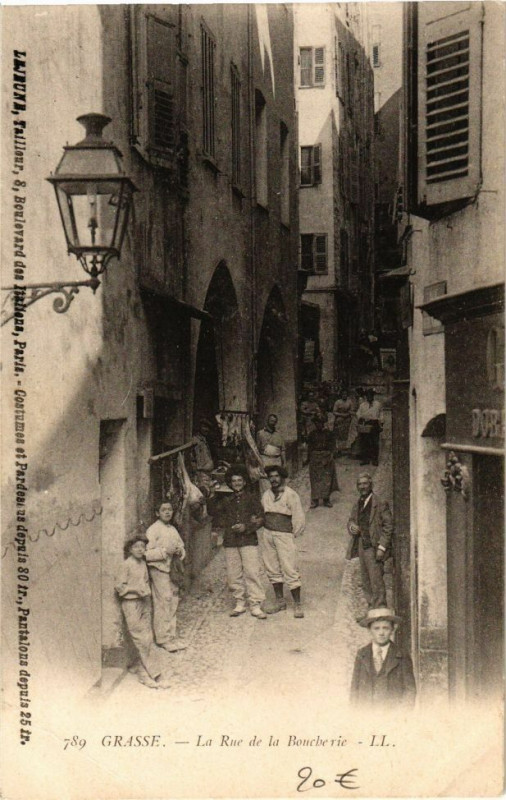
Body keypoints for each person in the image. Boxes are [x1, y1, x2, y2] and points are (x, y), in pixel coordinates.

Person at [115, 535, 170, 689]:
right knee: (141, 638)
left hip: (144, 602)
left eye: (142, 546)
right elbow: (119, 586)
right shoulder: (126, 565)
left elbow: (145, 582)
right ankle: (154, 674)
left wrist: (145, 592)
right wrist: (134, 589)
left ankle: (140, 668)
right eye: (136, 547)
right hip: (131, 604)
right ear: (130, 549)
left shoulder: (142, 563)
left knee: (148, 637)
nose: (140, 549)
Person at [220, 465, 267, 619]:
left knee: (252, 572)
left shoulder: (252, 498)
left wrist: (246, 527)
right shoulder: (227, 500)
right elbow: (218, 517)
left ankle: (255, 604)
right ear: (230, 483)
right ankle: (239, 602)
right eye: (234, 481)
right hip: (231, 541)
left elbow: (261, 518)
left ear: (245, 482)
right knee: (233, 574)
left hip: (248, 539)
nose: (237, 483)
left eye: (239, 480)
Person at [259, 465, 306, 618]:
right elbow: (263, 513)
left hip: (284, 535)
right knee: (272, 567)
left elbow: (299, 518)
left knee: (290, 568)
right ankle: (280, 601)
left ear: (282, 477)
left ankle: (297, 604)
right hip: (268, 534)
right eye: (271, 477)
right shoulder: (266, 495)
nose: (273, 479)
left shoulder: (291, 495)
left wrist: (290, 534)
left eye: (276, 476)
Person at [350, 608, 416, 707]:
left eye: (386, 628)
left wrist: (401, 714)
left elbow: (410, 690)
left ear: (392, 630)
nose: (381, 633)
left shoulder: (401, 655)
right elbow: (354, 689)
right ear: (369, 630)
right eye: (376, 628)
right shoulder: (362, 654)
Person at [145, 501, 187, 652]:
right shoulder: (153, 530)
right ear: (157, 513)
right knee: (163, 602)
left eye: (170, 510)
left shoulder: (172, 529)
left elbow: (181, 547)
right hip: (159, 570)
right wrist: (164, 552)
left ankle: (171, 636)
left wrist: (180, 551)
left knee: (173, 601)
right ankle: (163, 638)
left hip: (172, 570)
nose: (167, 512)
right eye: (163, 510)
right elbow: (146, 554)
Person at [346, 473, 393, 609]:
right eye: (360, 484)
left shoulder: (380, 503)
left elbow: (388, 526)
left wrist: (382, 547)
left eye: (365, 483)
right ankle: (371, 608)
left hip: (374, 547)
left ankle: (380, 608)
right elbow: (351, 520)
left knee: (376, 580)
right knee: (366, 580)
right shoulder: (357, 504)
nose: (362, 487)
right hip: (362, 545)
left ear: (371, 485)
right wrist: (352, 527)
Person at [306, 415, 339, 508]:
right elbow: (309, 447)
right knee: (315, 479)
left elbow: (333, 445)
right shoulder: (312, 434)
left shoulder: (328, 433)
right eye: (316, 423)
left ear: (323, 423)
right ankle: (315, 500)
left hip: (326, 456)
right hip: (315, 457)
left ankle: (326, 499)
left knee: (327, 478)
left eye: (320, 423)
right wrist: (309, 458)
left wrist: (331, 455)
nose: (318, 425)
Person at [257, 413, 286, 494]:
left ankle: (276, 499)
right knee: (265, 481)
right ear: (267, 421)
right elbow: (257, 450)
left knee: (277, 481)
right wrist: (259, 463)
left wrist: (284, 463)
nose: (272, 422)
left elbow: (282, 450)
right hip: (265, 460)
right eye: (271, 420)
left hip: (277, 460)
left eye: (274, 421)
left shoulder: (279, 434)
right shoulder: (260, 434)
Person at [357, 388, 383, 466]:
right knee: (365, 442)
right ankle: (366, 459)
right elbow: (358, 413)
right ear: (366, 396)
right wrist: (361, 418)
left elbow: (381, 414)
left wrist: (381, 423)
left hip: (375, 424)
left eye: (371, 395)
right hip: (366, 424)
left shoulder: (378, 404)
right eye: (368, 395)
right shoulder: (362, 405)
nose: (369, 397)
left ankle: (375, 459)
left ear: (373, 396)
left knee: (375, 442)